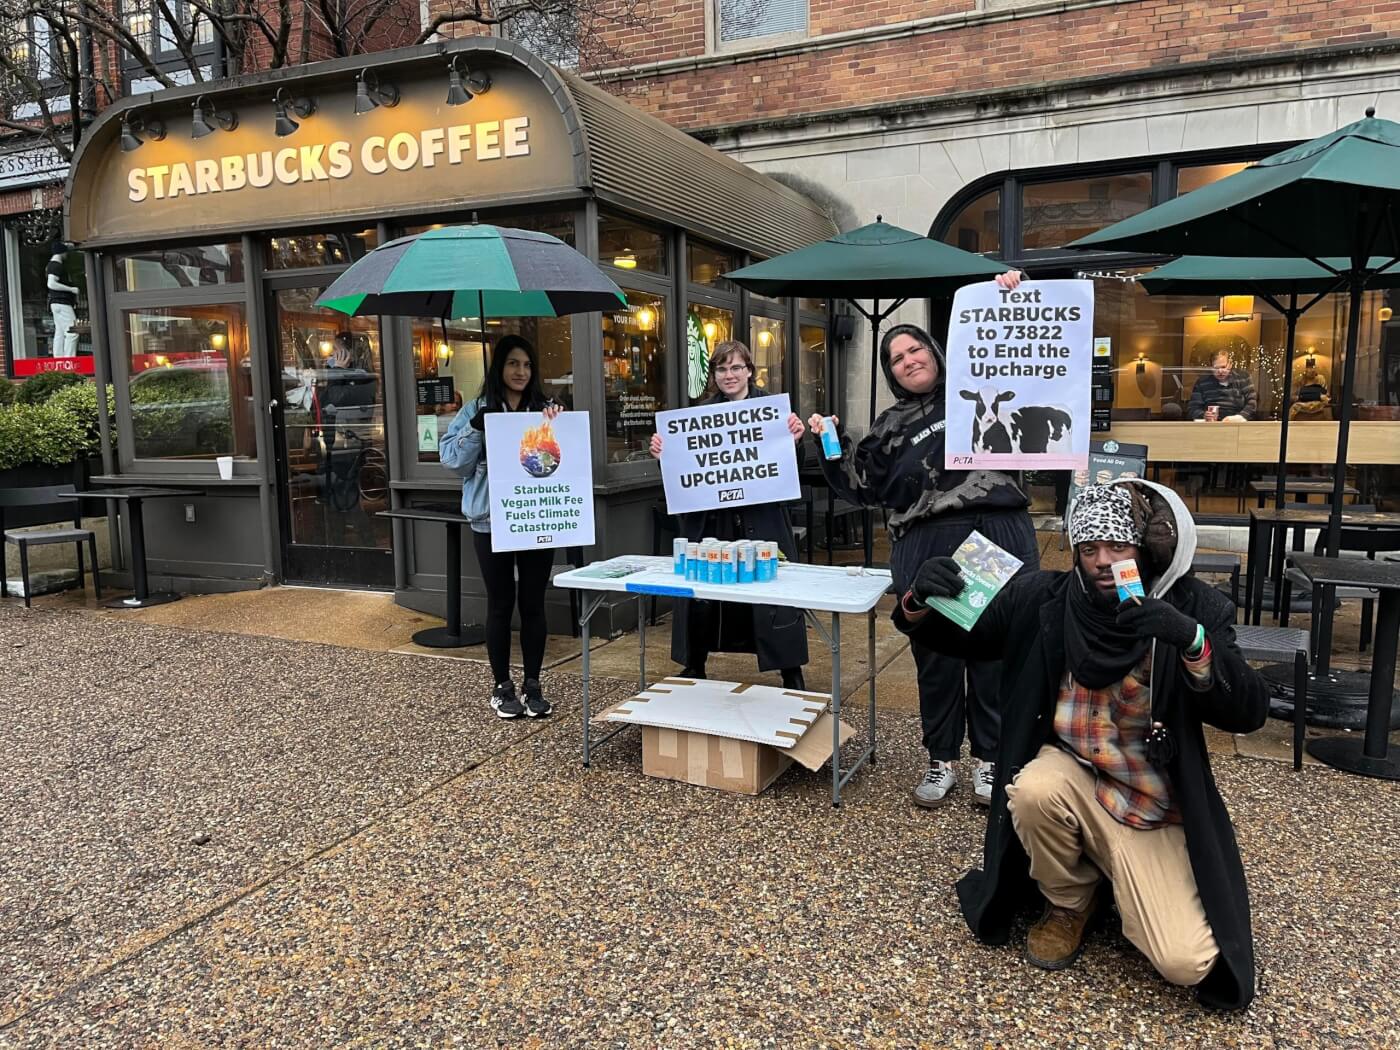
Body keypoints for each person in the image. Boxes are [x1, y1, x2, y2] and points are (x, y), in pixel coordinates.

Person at [898, 480, 1268, 1010]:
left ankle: (1113, 877)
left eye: (1118, 546)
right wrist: (919, 596)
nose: (1102, 561)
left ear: (1148, 547)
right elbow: (963, 634)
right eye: (1089, 548)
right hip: (1071, 780)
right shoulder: (1046, 597)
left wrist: (1191, 641)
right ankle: (1069, 902)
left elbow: (1249, 710)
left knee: (1185, 961)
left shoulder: (1195, 606)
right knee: (1031, 789)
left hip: (1150, 806)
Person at [807, 277, 1039, 808]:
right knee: (936, 658)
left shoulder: (981, 388)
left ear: (934, 352)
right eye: (895, 357)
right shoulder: (889, 426)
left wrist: (1009, 297)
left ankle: (989, 759)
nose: (907, 360)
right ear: (890, 373)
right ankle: (941, 759)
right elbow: (860, 486)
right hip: (926, 544)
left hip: (992, 533)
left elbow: (1021, 353)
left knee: (993, 654)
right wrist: (825, 438)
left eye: (914, 349)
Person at [649, 340, 810, 689]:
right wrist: (666, 456)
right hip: (714, 522)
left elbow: (789, 472)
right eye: (722, 369)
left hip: (761, 519)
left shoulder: (772, 413)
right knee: (704, 592)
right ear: (714, 375)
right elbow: (686, 473)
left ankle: (790, 668)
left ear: (750, 370)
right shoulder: (698, 415)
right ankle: (695, 664)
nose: (730, 375)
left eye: (737, 367)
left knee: (773, 593)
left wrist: (795, 442)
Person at [440, 335, 561, 720]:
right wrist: (477, 425)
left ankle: (534, 684)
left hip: (535, 518)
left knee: (533, 604)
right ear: (499, 368)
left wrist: (558, 423)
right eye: (513, 363)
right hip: (490, 521)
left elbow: (564, 457)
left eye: (527, 364)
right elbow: (453, 462)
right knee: (500, 604)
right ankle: (501, 686)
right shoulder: (477, 409)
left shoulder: (544, 410)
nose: (521, 372)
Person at [1187, 350, 1256, 421]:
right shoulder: (1202, 382)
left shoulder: (1243, 377)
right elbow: (1193, 408)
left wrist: (1239, 417)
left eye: (1223, 367)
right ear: (1210, 367)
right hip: (1211, 426)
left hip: (1238, 424)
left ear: (1230, 364)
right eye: (1216, 368)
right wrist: (1203, 415)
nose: (1220, 371)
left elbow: (1252, 403)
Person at [46, 242, 81, 357]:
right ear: (62, 252)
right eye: (66, 252)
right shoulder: (56, 265)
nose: (67, 254)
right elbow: (51, 283)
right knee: (73, 331)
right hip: (62, 302)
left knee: (60, 332)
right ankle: (69, 361)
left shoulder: (50, 265)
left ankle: (59, 360)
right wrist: (71, 289)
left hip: (55, 304)